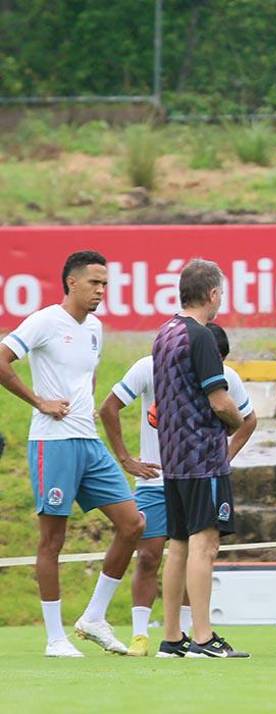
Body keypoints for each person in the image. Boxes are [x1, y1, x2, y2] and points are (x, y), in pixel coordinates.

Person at [0, 250, 144, 657]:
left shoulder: (96, 327)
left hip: (88, 441)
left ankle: (93, 617)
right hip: (53, 442)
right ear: (71, 283)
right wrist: (39, 400)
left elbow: (89, 374)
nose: (101, 290)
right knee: (53, 540)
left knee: (133, 524)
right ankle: (54, 638)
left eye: (105, 284)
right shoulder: (45, 320)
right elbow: (2, 360)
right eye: (94, 283)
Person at [99, 323, 257, 656]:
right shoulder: (153, 368)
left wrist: (226, 454)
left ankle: (175, 636)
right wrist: (127, 459)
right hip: (187, 471)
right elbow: (226, 410)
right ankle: (196, 637)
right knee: (182, 549)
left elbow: (247, 418)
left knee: (183, 548)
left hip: (176, 470)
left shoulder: (220, 374)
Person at [152, 259, 247, 658]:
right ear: (211, 293)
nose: (221, 299)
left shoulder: (164, 333)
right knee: (204, 545)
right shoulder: (201, 336)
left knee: (177, 546)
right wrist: (238, 420)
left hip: (172, 456)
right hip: (202, 456)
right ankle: (204, 638)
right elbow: (219, 398)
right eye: (220, 292)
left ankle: (172, 637)